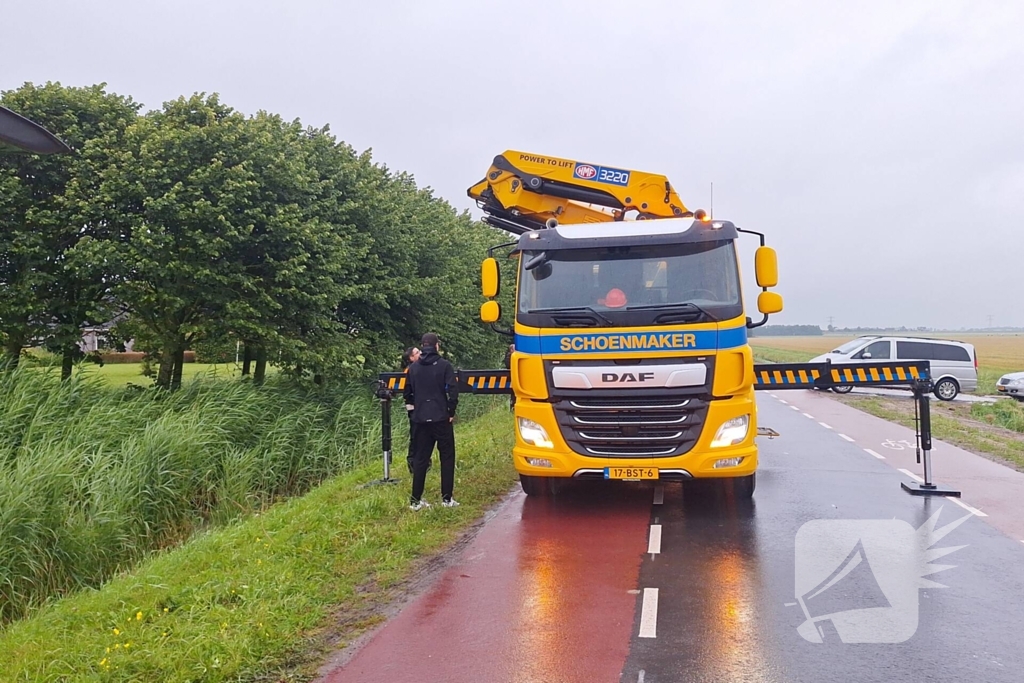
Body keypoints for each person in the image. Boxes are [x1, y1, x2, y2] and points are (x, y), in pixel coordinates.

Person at [404, 332, 459, 510]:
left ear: (422, 347)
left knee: (420, 459)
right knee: (447, 457)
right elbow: (453, 391)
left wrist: (413, 415)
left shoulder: (413, 368)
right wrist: (451, 411)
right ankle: (446, 499)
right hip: (441, 417)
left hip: (421, 419)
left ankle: (415, 501)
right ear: (436, 346)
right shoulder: (444, 366)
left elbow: (408, 395)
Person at [400, 346, 422, 474]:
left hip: (419, 407)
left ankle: (421, 463)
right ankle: (413, 464)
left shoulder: (417, 369)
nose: (421, 353)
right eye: (417, 352)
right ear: (411, 358)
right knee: (416, 436)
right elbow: (408, 393)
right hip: (414, 409)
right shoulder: (409, 371)